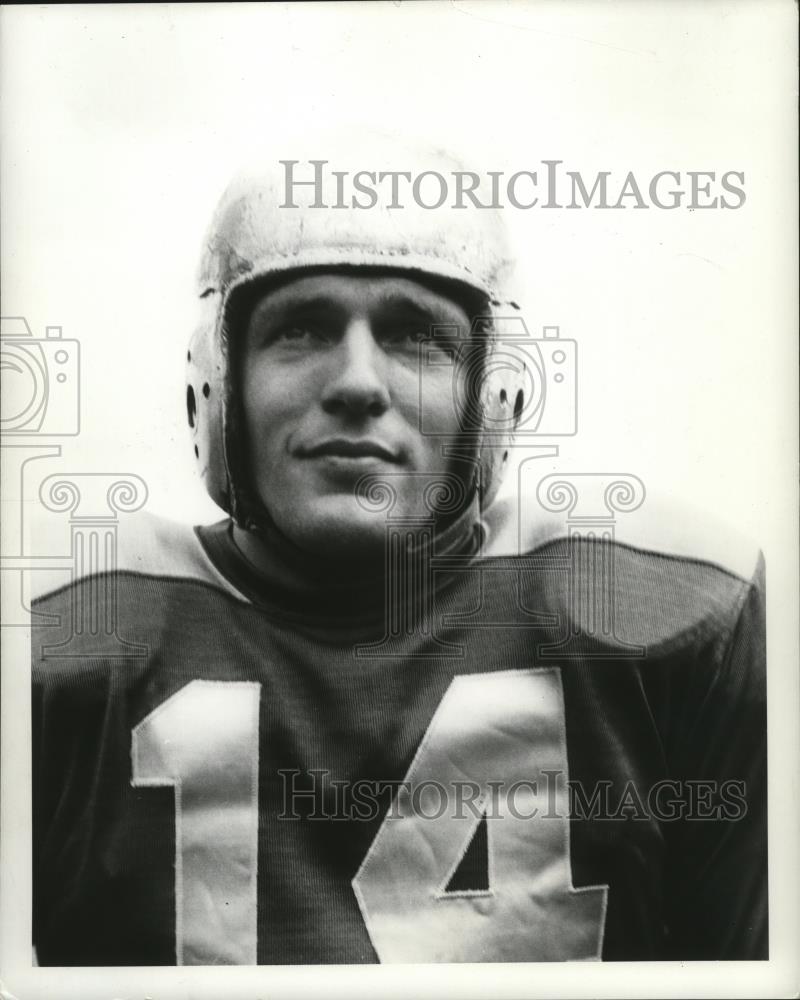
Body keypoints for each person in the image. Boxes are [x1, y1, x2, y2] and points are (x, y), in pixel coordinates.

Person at [31, 146, 767, 966]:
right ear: (220, 376)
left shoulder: (665, 611)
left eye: (415, 335)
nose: (356, 382)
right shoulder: (67, 635)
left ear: (492, 392)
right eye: (301, 328)